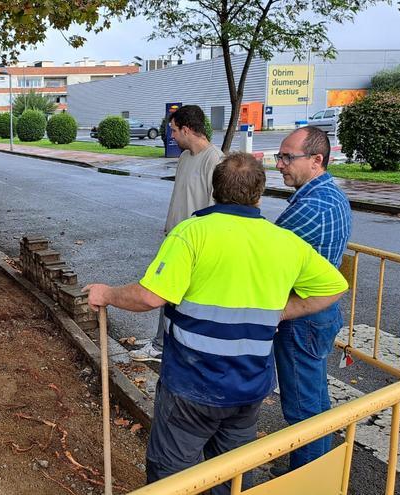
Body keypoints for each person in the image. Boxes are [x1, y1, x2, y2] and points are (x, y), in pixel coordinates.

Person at [83, 152, 348, 494]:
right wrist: (279, 312)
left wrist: (106, 294)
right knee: (232, 473)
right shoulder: (285, 242)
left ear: (215, 189)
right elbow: (333, 287)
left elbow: (150, 297)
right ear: (258, 194)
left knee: (172, 474)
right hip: (249, 387)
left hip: (192, 384)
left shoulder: (192, 233)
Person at [273, 126, 352, 474]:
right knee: (316, 399)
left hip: (301, 317)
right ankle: (316, 471)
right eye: (279, 156)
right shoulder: (332, 194)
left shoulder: (310, 208)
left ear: (316, 160)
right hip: (321, 312)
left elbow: (266, 257)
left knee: (303, 410)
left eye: (287, 157)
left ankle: (307, 478)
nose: (279, 164)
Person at [129, 105, 223, 362]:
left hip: (196, 243)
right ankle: (163, 341)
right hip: (176, 237)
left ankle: (163, 345)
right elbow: (181, 196)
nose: (171, 136)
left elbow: (216, 208)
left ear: (187, 129)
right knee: (169, 292)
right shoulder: (185, 158)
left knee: (172, 293)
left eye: (173, 130)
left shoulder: (215, 160)